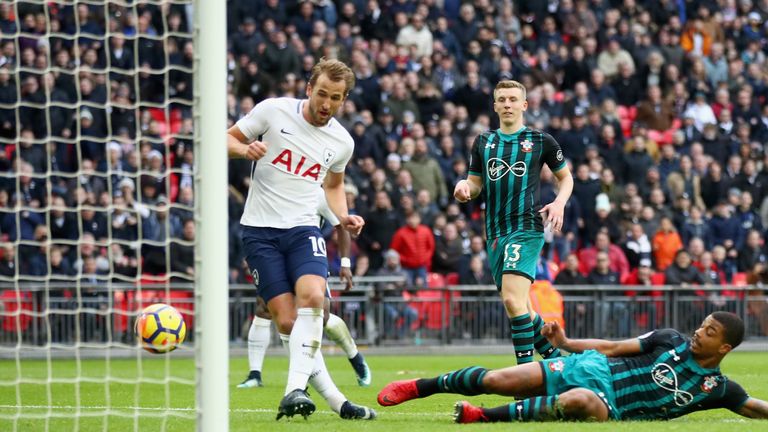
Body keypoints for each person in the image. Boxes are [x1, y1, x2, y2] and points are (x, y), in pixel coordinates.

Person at [226, 58, 372, 420]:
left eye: (335, 98)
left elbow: (334, 186)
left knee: (313, 299)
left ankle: (294, 390)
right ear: (308, 89)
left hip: (303, 229)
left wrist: (343, 216)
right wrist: (245, 150)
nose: (326, 103)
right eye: (321, 93)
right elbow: (224, 139)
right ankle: (340, 403)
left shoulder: (341, 141)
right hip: (259, 231)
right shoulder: (273, 112)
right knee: (289, 324)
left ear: (343, 100)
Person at [377, 312, 768, 423]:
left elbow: (754, 408)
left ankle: (482, 418)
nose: (699, 333)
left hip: (610, 408)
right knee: (499, 379)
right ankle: (419, 387)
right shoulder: (669, 339)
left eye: (710, 332)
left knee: (579, 400)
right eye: (702, 326)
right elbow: (612, 346)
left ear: (725, 347)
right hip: (594, 369)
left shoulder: (717, 388)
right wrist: (565, 344)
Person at [453, 80, 574, 364]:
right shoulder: (483, 142)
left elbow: (565, 177)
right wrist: (463, 189)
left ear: (524, 105)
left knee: (511, 300)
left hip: (526, 228)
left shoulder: (541, 140)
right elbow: (474, 183)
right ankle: (561, 365)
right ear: (495, 106)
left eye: (512, 99)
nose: (507, 104)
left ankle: (524, 379)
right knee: (520, 307)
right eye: (502, 100)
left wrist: (559, 202)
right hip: (495, 232)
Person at [238, 188, 372, 389]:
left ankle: (355, 357)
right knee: (264, 308)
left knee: (322, 316)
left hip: (305, 257)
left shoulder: (316, 194)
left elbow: (341, 226)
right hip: (276, 257)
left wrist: (345, 263)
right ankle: (255, 373)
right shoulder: (274, 189)